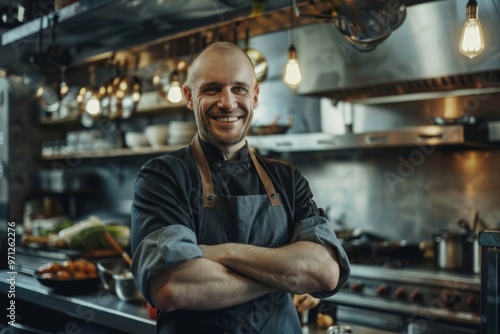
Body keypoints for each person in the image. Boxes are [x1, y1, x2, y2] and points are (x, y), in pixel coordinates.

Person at [130, 41, 350, 334]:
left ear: (255, 96)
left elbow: (325, 272)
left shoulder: (287, 178)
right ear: (188, 96)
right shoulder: (163, 177)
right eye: (212, 89)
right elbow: (174, 286)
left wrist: (220, 253)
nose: (228, 102)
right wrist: (286, 274)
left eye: (239, 89)